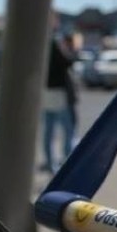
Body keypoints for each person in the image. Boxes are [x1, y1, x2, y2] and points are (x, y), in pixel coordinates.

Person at [42, 32, 78, 173]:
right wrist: (73, 49)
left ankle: (51, 164)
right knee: (68, 130)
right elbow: (67, 62)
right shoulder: (54, 44)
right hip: (59, 93)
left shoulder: (40, 44)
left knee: (49, 131)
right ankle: (68, 164)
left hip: (46, 92)